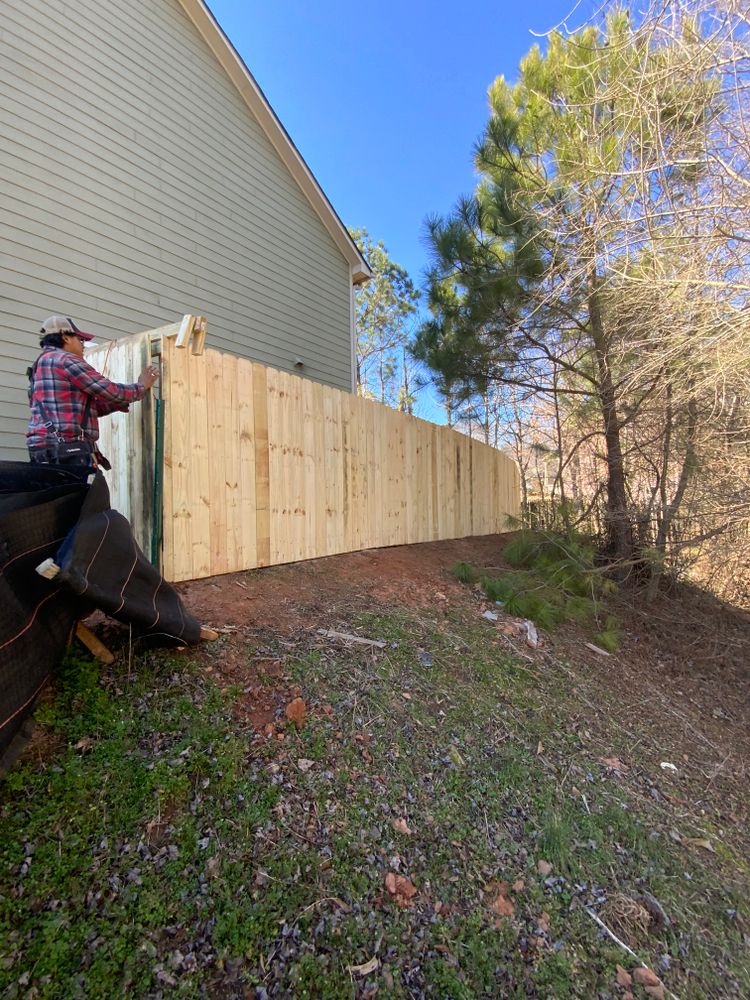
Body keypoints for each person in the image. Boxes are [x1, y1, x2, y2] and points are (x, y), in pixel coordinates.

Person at [27, 316, 159, 469]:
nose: (83, 345)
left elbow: (81, 409)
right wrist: (141, 386)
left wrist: (117, 404)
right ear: (65, 338)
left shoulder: (38, 366)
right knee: (86, 493)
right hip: (66, 450)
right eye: (80, 340)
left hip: (41, 449)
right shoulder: (66, 360)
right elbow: (110, 391)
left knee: (56, 493)